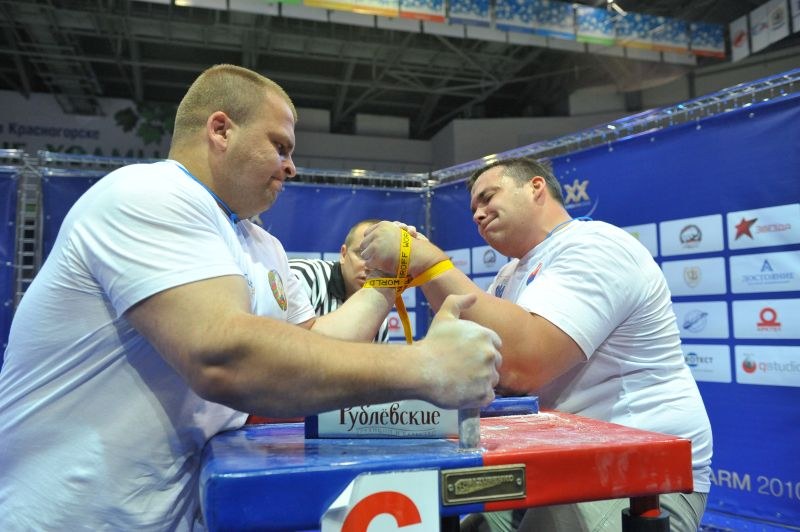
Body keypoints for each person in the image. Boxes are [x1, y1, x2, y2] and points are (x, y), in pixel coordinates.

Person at [0, 64, 502, 531]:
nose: (292, 167)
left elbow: (317, 344)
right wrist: (428, 369)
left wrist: (388, 280)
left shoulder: (262, 244)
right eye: (280, 147)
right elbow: (226, 356)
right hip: (63, 517)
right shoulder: (148, 194)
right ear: (221, 130)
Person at [360, 157, 712, 532]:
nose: (477, 214)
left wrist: (428, 262)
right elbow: (487, 369)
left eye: (487, 197)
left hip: (638, 474)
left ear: (536, 187)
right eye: (472, 208)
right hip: (559, 462)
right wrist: (419, 267)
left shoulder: (596, 247)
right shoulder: (508, 274)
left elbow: (523, 365)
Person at [289, 219, 389, 343]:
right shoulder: (302, 276)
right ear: (343, 254)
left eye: (381, 259)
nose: (370, 267)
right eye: (362, 255)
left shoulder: (378, 318)